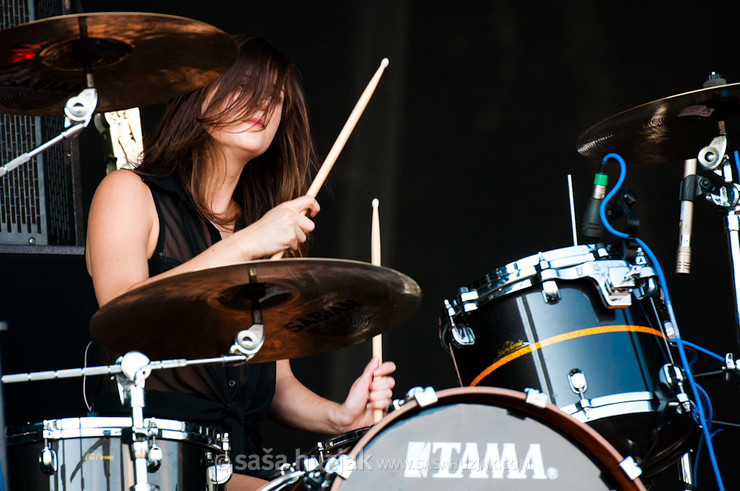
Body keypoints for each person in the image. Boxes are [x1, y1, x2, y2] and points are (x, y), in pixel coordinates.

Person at [85, 35, 396, 490]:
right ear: (199, 93)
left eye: (275, 97)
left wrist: (340, 417)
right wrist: (247, 244)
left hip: (246, 466)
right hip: (159, 461)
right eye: (245, 87)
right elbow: (122, 315)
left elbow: (275, 381)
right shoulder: (129, 193)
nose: (263, 105)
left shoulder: (264, 229)